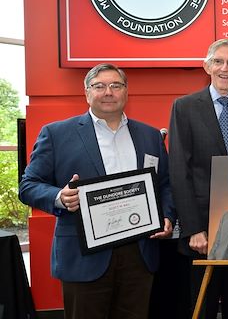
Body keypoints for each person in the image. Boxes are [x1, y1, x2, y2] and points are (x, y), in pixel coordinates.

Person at [18, 63, 175, 319]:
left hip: (139, 253)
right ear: (87, 93)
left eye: (116, 85)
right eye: (99, 86)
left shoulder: (149, 136)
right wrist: (59, 197)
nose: (108, 92)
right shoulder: (57, 134)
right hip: (83, 256)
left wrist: (167, 215)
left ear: (126, 92)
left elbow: (165, 184)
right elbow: (28, 185)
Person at [169, 39, 228, 319]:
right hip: (203, 231)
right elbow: (179, 170)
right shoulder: (184, 107)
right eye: (219, 61)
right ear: (207, 65)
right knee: (203, 305)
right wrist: (193, 229)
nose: (225, 68)